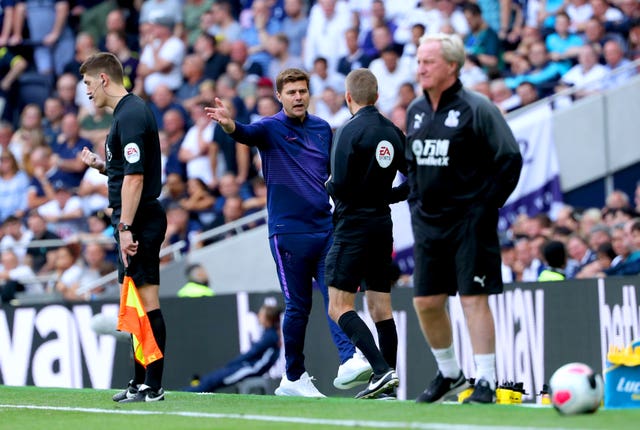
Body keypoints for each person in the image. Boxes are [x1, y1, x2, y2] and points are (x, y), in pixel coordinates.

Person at [205, 68, 371, 398]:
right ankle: (294, 376)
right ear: (279, 97)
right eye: (291, 92)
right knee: (298, 307)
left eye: (303, 91)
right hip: (287, 232)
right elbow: (246, 133)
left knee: (337, 298)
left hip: (325, 229)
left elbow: (333, 175)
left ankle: (349, 357)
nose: (298, 97)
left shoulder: (324, 129)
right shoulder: (270, 127)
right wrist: (228, 126)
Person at [406, 33, 522, 404]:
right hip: (428, 223)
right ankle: (450, 374)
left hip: (470, 221)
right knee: (425, 301)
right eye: (419, 60)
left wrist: (486, 207)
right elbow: (411, 164)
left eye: (428, 61)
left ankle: (486, 380)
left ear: (452, 67)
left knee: (473, 298)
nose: (420, 67)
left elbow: (509, 159)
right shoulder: (415, 110)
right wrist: (414, 203)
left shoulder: (478, 107)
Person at [79, 52, 168, 402]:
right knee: (134, 303)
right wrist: (103, 166)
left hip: (139, 218)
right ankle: (139, 381)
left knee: (146, 302)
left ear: (104, 79)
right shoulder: (126, 114)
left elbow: (136, 178)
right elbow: (126, 171)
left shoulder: (130, 115)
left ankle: (153, 384)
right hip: (133, 217)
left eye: (88, 83)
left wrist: (126, 227)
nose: (86, 91)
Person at [325, 68, 408, 400]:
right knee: (380, 307)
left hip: (352, 228)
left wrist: (328, 184)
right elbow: (413, 180)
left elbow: (340, 186)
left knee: (338, 305)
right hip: (381, 225)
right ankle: (387, 386)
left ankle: (381, 370)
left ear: (349, 97)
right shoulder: (393, 131)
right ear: (376, 96)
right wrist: (387, 196)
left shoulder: (349, 131)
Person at [185, 302, 281, 393]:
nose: (258, 316)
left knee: (214, 381)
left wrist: (232, 364)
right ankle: (190, 389)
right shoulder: (270, 334)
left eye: (261, 315)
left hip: (251, 369)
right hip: (247, 366)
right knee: (211, 379)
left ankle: (187, 393)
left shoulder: (270, 336)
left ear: (268, 319)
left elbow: (252, 353)